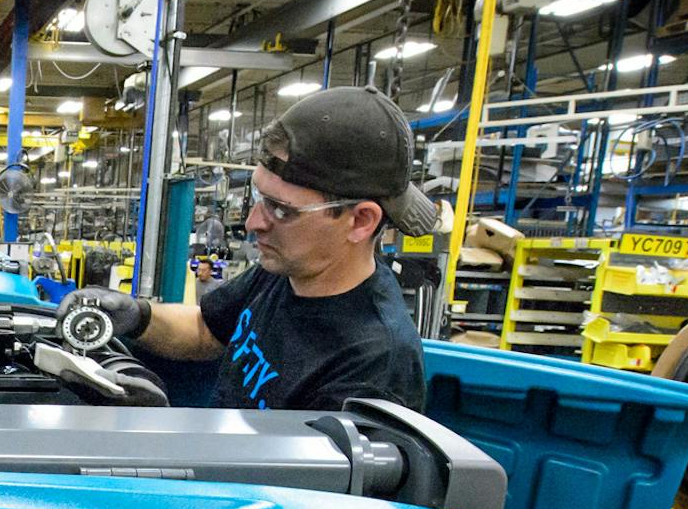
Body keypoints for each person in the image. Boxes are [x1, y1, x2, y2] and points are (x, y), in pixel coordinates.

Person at [61, 85, 435, 412]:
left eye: (281, 209)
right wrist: (138, 315)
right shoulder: (288, 270)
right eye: (260, 197)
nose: (255, 222)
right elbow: (208, 330)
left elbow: (313, 490)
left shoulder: (373, 364)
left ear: (360, 221)